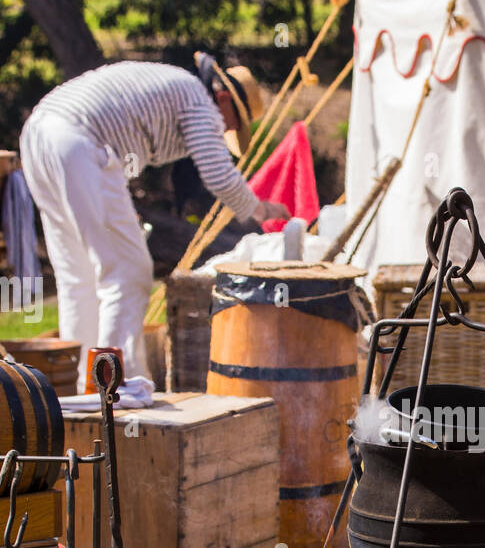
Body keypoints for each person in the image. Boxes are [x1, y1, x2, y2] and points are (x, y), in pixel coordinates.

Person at [19, 53, 289, 390]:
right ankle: (118, 385)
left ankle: (79, 387)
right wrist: (261, 209)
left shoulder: (174, 87)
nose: (228, 130)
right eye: (234, 123)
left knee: (79, 275)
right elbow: (218, 175)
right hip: (80, 141)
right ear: (223, 99)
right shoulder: (200, 100)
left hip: (40, 133)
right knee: (128, 271)